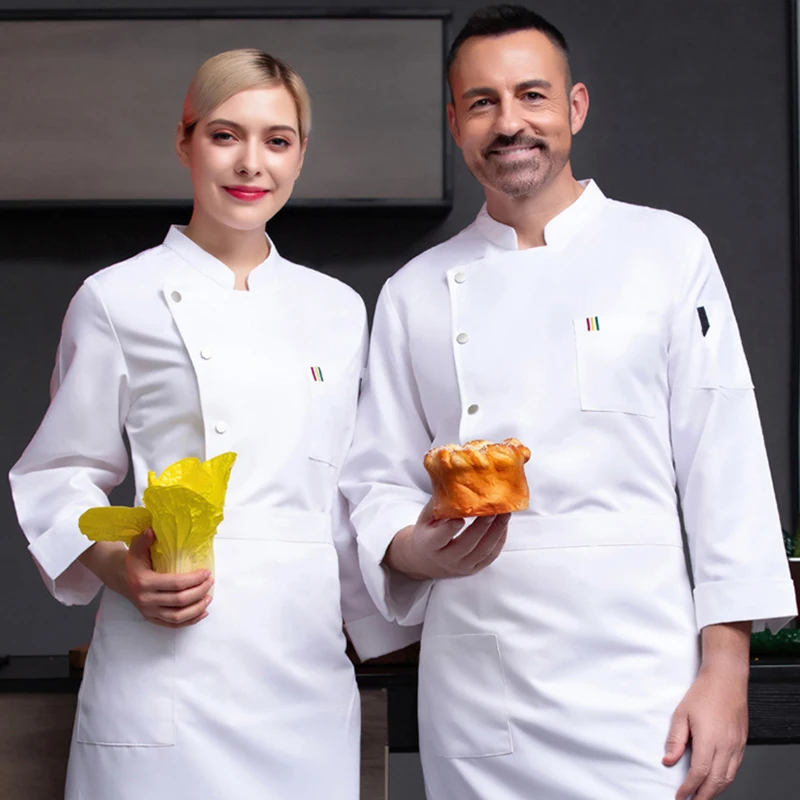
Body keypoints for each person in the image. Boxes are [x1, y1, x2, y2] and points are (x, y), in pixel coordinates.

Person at [339, 6, 797, 800]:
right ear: (455, 123)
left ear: (575, 108)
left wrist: (726, 673)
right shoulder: (413, 292)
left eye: (532, 96)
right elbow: (374, 483)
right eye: (482, 102)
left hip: (640, 682)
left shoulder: (667, 251)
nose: (509, 122)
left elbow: (724, 464)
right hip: (480, 682)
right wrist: (415, 548)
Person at [9, 48, 418, 800]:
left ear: (300, 157)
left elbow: (341, 496)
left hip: (305, 674)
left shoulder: (338, 309)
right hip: (167, 669)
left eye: (277, 140)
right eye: (225, 135)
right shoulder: (118, 298)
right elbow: (58, 474)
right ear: (185, 141)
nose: (250, 163)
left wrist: (393, 621)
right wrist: (116, 569)